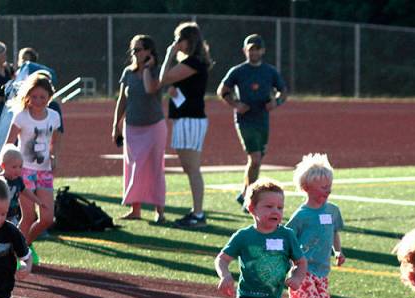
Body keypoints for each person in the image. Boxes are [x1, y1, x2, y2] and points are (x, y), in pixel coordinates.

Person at [277, 153, 344, 298]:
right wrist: (288, 263)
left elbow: (334, 233)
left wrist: (338, 251)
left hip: (322, 269)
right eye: (323, 187)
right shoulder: (301, 215)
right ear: (306, 188)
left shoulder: (332, 211)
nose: (328, 190)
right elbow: (288, 237)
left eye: (329, 185)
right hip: (302, 268)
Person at [217, 34, 287, 207]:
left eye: (256, 49)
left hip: (262, 119)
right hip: (245, 120)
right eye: (250, 49)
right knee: (255, 159)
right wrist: (235, 104)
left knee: (256, 160)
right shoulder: (238, 71)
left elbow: (283, 91)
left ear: (262, 51)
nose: (253, 52)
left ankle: (243, 193)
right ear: (244, 51)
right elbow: (222, 90)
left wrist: (276, 102)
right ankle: (250, 200)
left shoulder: (270, 71)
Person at [158, 21, 211, 229]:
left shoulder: (194, 62)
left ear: (189, 41)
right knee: (190, 168)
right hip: (187, 118)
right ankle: (196, 211)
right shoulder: (193, 63)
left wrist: (169, 54)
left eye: (179, 39)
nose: (176, 43)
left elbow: (163, 78)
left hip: (191, 119)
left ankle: (198, 213)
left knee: (192, 168)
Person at [5, 71, 61, 262]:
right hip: (25, 172)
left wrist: (54, 156)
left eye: (42, 97)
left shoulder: (53, 116)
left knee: (47, 218)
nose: (38, 100)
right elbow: (9, 143)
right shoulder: (21, 117)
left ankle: (23, 246)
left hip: (44, 172)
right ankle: (18, 254)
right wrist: (6, 166)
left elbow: (55, 139)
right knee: (28, 216)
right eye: (34, 96)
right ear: (27, 96)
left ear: (49, 97)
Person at [112, 35, 167, 224]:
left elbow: (150, 89)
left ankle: (159, 211)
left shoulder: (157, 72)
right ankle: (135, 209)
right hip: (132, 127)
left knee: (155, 168)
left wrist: (147, 68)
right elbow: (122, 100)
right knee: (132, 167)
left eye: (140, 49)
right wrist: (116, 124)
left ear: (149, 51)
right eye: (133, 50)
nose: (136, 53)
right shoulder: (127, 72)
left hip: (154, 126)